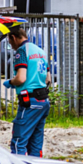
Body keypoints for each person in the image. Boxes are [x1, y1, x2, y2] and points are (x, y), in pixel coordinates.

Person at [4, 26, 51, 157]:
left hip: (29, 102)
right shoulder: (40, 51)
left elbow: (21, 78)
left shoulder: (22, 51)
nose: (12, 46)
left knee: (19, 141)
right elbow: (48, 79)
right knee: (36, 143)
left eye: (10, 42)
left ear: (13, 38)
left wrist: (10, 82)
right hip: (43, 101)